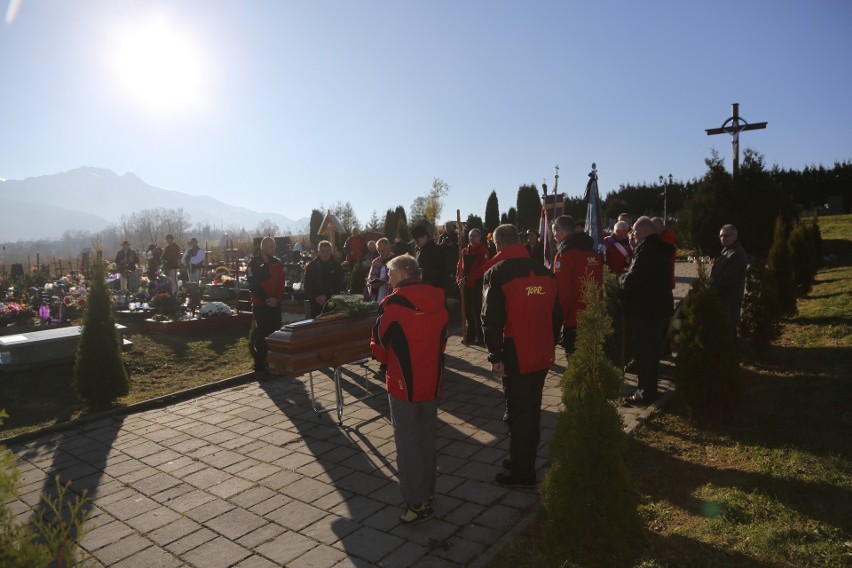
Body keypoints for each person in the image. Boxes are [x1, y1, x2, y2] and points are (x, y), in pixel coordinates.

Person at [371, 254, 448, 524]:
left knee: (407, 442)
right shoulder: (438, 298)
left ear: (402, 274)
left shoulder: (392, 303)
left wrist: (390, 362)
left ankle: (416, 503)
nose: (387, 278)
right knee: (426, 437)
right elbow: (443, 340)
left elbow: (378, 344)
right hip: (432, 379)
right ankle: (427, 492)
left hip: (403, 383)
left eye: (389, 273)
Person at [482, 224, 562, 487]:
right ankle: (521, 459)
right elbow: (556, 315)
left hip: (516, 352)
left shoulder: (498, 272)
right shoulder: (545, 272)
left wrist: (495, 356)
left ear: (498, 245)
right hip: (541, 351)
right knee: (529, 409)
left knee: (520, 413)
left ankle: (523, 473)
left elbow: (490, 320)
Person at [620, 217, 674, 405]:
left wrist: (622, 279)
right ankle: (648, 389)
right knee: (650, 354)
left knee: (646, 354)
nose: (632, 235)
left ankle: (645, 393)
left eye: (634, 231)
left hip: (648, 311)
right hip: (657, 309)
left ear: (643, 231)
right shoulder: (659, 248)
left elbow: (633, 280)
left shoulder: (647, 251)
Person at [551, 215, 603, 356]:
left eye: (554, 233)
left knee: (576, 365)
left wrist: (556, 321)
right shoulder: (593, 253)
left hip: (574, 320)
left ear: (561, 232)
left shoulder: (565, 255)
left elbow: (562, 293)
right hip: (594, 316)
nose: (554, 237)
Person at [247, 236, 286, 377]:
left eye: (274, 246)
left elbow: (282, 282)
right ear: (263, 247)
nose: (273, 249)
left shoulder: (277, 263)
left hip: (275, 304)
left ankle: (274, 364)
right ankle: (259, 366)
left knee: (275, 334)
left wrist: (276, 299)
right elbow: (254, 285)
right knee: (263, 334)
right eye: (271, 247)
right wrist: (266, 299)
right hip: (260, 305)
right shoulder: (253, 264)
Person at [710, 224, 748, 332]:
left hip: (728, 301)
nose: (722, 238)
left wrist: (709, 290)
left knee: (728, 332)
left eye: (726, 236)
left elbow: (726, 281)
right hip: (722, 300)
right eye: (721, 236)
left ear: (735, 236)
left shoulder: (736, 254)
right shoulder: (727, 249)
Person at [456, 228, 489, 345]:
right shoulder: (464, 251)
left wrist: (467, 279)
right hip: (465, 285)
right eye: (470, 236)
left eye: (474, 236)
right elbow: (459, 267)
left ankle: (481, 336)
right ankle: (470, 335)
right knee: (467, 311)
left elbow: (482, 269)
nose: (472, 238)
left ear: (479, 238)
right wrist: (459, 280)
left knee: (478, 311)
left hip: (477, 284)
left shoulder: (483, 251)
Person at [304, 240, 344, 318]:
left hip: (331, 303)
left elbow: (339, 284)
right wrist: (315, 297)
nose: (325, 253)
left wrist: (327, 296)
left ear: (331, 251)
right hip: (316, 304)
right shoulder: (311, 266)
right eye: (322, 251)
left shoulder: (337, 266)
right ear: (319, 252)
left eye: (327, 251)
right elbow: (307, 285)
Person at [652, 217, 677, 289]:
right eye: (652, 228)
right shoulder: (660, 236)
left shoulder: (668, 236)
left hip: (665, 278)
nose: (654, 230)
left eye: (655, 227)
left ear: (662, 226)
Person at [438, 221, 460, 296]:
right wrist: (442, 243)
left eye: (450, 226)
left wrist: (452, 245)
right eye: (446, 226)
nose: (448, 228)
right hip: (445, 263)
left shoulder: (457, 236)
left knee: (455, 281)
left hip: (454, 263)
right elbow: (438, 249)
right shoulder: (441, 237)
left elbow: (460, 248)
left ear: (453, 227)